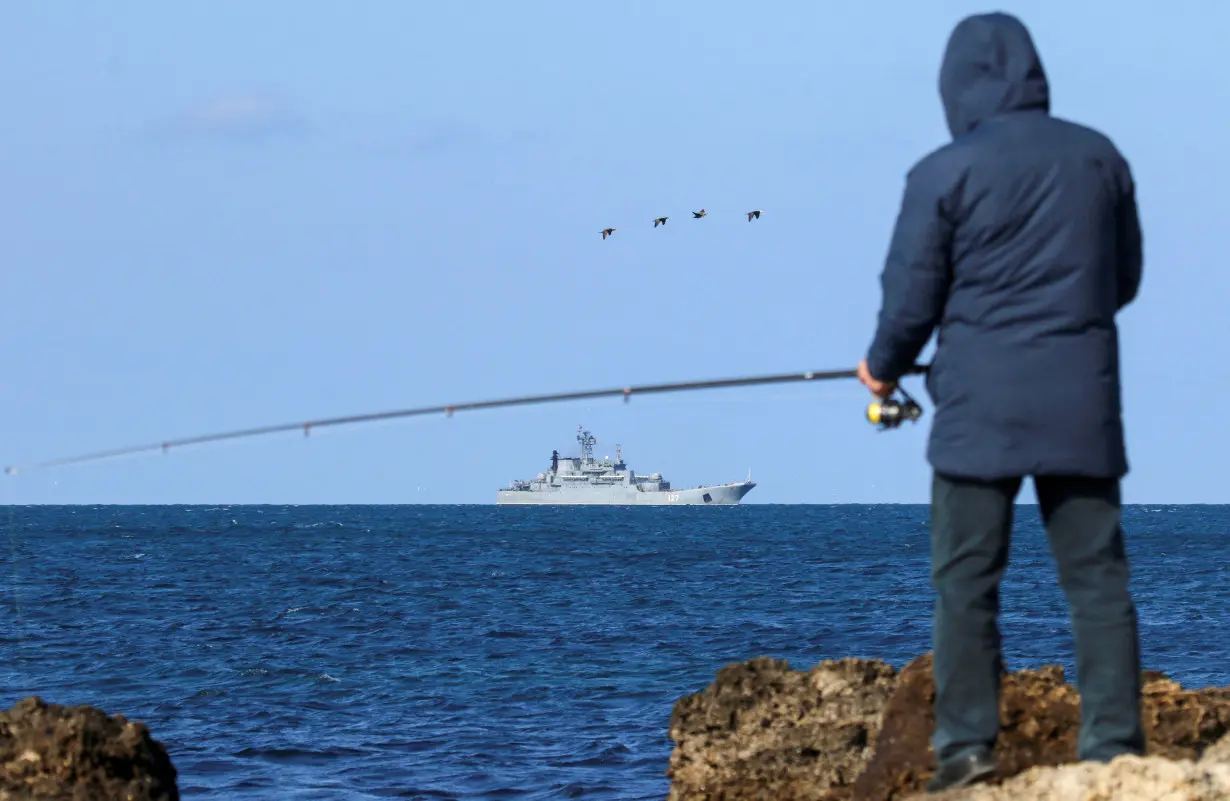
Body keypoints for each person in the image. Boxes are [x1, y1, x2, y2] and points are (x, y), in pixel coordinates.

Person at [856, 11, 1145, 793]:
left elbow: (911, 298)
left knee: (966, 584)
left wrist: (881, 368)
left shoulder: (941, 173)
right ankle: (1115, 747)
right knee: (1096, 579)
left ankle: (965, 754)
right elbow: (1125, 281)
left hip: (978, 409)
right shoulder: (1099, 157)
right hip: (1082, 403)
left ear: (955, 88)